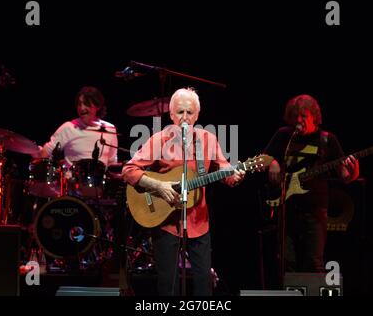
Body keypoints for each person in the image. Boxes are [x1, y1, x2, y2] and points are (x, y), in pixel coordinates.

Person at [122, 88, 245, 295]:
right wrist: (158, 185)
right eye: (180, 112)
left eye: (190, 113)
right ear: (171, 115)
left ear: (197, 115)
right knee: (168, 284)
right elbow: (128, 170)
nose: (185, 118)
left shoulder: (208, 140)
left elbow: (226, 173)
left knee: (204, 283)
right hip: (167, 221)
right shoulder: (159, 139)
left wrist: (236, 175)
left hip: (199, 220)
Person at [263, 94, 359, 273]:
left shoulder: (327, 140)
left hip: (315, 212)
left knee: (313, 263)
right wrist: (273, 162)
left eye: (303, 116)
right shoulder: (284, 135)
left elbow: (345, 176)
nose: (298, 120)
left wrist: (354, 173)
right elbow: (263, 158)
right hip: (287, 209)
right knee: (286, 264)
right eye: (295, 116)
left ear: (314, 116)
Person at [34, 86, 118, 166]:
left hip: (100, 180)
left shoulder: (110, 129)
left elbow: (112, 162)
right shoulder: (68, 127)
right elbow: (44, 154)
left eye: (86, 104)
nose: (81, 108)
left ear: (98, 106)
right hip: (72, 180)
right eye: (79, 104)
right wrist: (31, 148)